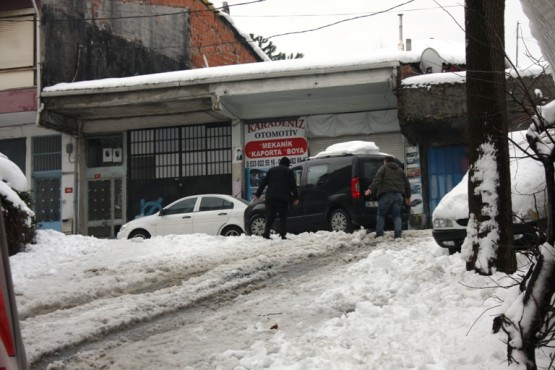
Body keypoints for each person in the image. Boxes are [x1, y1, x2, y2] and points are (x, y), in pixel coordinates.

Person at [364, 156, 411, 239]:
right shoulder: (400, 170)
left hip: (386, 194)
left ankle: (379, 234)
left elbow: (377, 179)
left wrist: (370, 189)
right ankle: (398, 235)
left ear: (386, 162)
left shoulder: (383, 168)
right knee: (396, 215)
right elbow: (407, 184)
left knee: (381, 215)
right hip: (398, 195)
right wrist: (407, 197)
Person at [254, 156, 299, 240]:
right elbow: (293, 186)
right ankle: (282, 235)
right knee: (283, 217)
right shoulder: (289, 171)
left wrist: (258, 194)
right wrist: (296, 198)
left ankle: (266, 234)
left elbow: (263, 183)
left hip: (271, 197)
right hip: (283, 198)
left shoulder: (271, 170)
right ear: (287, 164)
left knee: (270, 216)